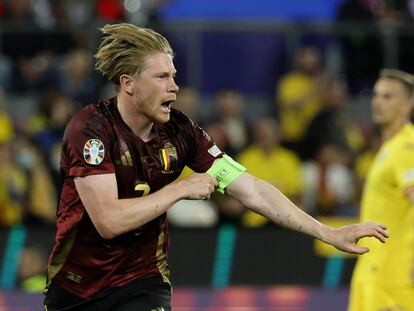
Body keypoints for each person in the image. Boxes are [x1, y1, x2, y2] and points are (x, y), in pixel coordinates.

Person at [43, 23, 389, 311]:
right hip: (76, 287)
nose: (174, 86)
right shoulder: (90, 129)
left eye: (174, 76)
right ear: (128, 83)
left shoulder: (182, 132)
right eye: (162, 77)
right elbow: (108, 221)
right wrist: (179, 188)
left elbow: (250, 188)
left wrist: (326, 232)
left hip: (142, 282)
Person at [348, 69, 414, 311]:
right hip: (373, 274)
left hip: (394, 279)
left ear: (408, 104)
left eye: (388, 96)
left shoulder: (407, 148)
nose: (377, 101)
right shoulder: (389, 148)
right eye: (376, 94)